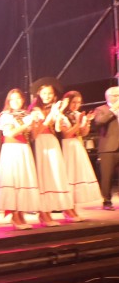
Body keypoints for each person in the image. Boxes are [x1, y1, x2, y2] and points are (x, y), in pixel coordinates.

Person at [0, 89, 40, 230]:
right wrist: (26, 123)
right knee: (14, 181)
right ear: (8, 101)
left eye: (18, 99)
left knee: (23, 181)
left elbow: (33, 136)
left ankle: (21, 214)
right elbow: (10, 132)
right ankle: (14, 216)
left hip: (24, 149)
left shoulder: (26, 114)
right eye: (12, 99)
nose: (16, 102)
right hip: (11, 150)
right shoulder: (6, 116)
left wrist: (35, 123)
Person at [29, 85, 73, 226]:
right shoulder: (35, 110)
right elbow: (37, 132)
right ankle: (43, 213)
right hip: (41, 143)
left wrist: (58, 112)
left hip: (52, 142)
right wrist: (52, 114)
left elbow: (58, 129)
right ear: (39, 94)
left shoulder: (53, 107)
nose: (47, 96)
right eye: (44, 93)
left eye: (50, 93)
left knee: (56, 175)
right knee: (44, 176)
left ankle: (63, 208)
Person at [59, 90, 101, 219]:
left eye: (78, 102)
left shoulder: (78, 115)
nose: (76, 105)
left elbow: (83, 133)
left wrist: (87, 121)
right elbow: (66, 134)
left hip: (77, 146)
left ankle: (73, 208)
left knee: (77, 176)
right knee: (69, 176)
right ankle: (67, 209)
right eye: (73, 102)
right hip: (66, 147)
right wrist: (78, 123)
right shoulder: (61, 115)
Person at [92, 85, 119, 210]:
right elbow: (100, 122)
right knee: (107, 176)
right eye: (117, 95)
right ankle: (106, 202)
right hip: (108, 147)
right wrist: (113, 110)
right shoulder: (101, 109)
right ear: (109, 97)